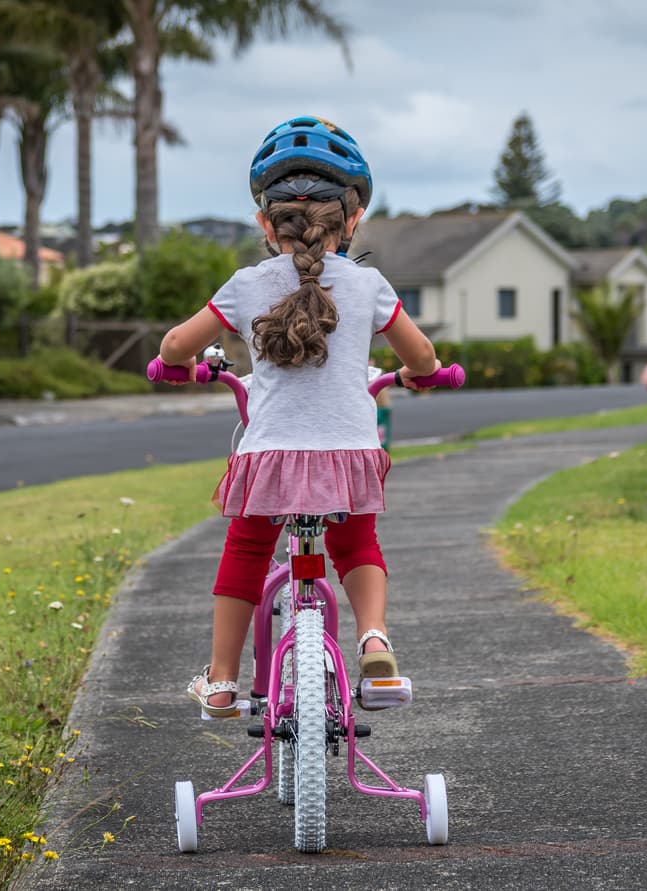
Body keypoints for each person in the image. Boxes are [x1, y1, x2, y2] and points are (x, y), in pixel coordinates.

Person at [157, 116, 441, 718]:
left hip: (269, 456)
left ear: (266, 223)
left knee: (247, 550)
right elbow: (421, 357)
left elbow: (176, 345)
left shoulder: (245, 284)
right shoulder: (369, 285)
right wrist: (424, 373)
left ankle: (222, 680)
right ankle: (374, 640)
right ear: (352, 219)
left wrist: (175, 364)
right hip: (350, 453)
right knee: (357, 544)